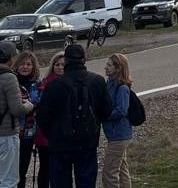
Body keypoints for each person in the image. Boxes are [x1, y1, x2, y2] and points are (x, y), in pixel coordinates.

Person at [35, 44, 111, 188]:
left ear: (67, 61)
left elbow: (42, 116)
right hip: (87, 141)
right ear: (84, 59)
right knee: (86, 182)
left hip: (60, 143)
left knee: (60, 183)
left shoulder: (54, 85)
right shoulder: (97, 81)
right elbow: (106, 111)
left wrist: (52, 134)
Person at [1, 42, 33, 188]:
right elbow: (17, 110)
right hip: (7, 134)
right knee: (9, 180)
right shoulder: (9, 77)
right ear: (10, 58)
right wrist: (29, 104)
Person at [33, 52, 65, 188]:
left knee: (60, 168)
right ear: (53, 66)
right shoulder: (45, 84)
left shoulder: (70, 83)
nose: (60, 67)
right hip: (45, 133)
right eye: (57, 64)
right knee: (45, 166)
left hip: (62, 133)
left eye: (63, 65)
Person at [102, 54, 133, 188]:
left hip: (119, 135)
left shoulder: (122, 88)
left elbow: (121, 110)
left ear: (118, 68)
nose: (106, 68)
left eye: (109, 65)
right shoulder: (109, 83)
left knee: (109, 173)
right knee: (122, 169)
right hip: (114, 134)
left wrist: (104, 115)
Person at [12, 51, 40, 188]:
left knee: (22, 170)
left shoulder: (37, 84)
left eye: (28, 64)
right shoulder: (11, 82)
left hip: (29, 134)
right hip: (11, 133)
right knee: (10, 172)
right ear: (16, 65)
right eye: (22, 64)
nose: (25, 67)